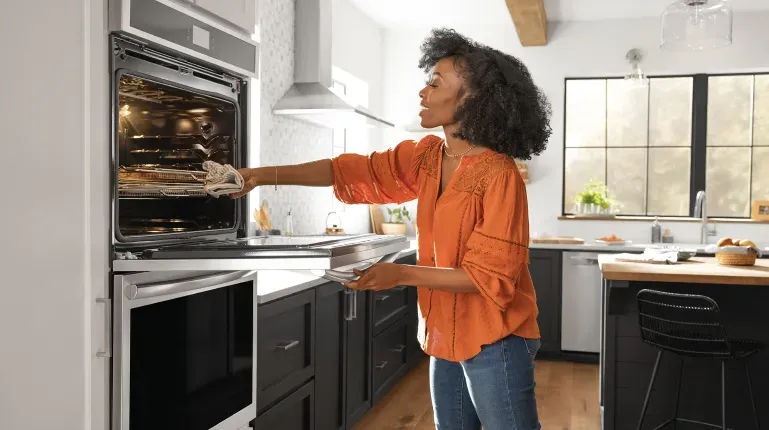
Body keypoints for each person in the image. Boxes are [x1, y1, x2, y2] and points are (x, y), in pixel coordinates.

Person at [232, 28, 552, 430]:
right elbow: (348, 170)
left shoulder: (499, 174)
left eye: (435, 83)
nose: (423, 92)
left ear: (471, 99)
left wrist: (399, 273)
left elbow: (489, 279)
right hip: (443, 335)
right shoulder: (427, 157)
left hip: (496, 339)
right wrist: (260, 175)